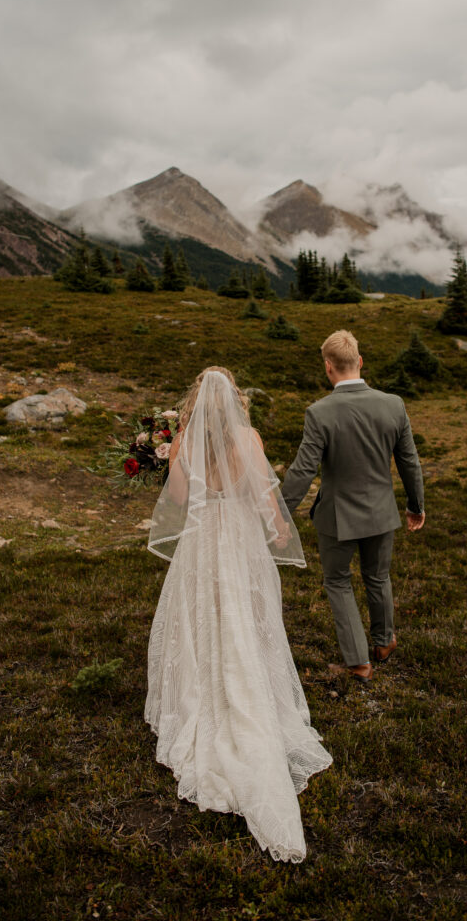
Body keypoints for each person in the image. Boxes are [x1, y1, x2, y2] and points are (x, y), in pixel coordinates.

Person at [145, 367, 332, 862]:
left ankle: (203, 692)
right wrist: (277, 529)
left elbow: (182, 500)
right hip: (240, 538)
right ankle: (248, 689)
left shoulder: (184, 439)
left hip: (203, 541)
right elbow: (263, 494)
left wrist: (174, 453)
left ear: (196, 402)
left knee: (201, 614)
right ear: (235, 400)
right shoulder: (249, 437)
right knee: (246, 615)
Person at [280, 330, 425, 683]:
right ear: (359, 361)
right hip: (381, 511)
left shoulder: (319, 412)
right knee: (378, 576)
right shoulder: (394, 404)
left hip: (337, 517)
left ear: (328, 368)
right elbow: (409, 461)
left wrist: (280, 510)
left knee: (338, 582)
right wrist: (415, 505)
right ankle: (384, 641)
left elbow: (303, 469)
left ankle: (359, 662)